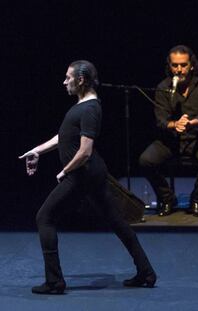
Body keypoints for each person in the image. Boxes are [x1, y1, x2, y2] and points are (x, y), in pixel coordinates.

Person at [19, 60, 156, 294]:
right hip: (90, 174)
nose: (64, 82)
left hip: (82, 175)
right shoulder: (82, 106)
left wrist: (65, 171)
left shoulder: (90, 109)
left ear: (81, 80)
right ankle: (146, 272)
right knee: (116, 221)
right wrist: (37, 151)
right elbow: (63, 136)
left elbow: (84, 151)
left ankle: (54, 282)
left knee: (44, 217)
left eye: (68, 78)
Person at [139, 45, 198, 217]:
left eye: (183, 65)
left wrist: (191, 122)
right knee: (145, 161)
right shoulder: (163, 87)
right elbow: (160, 120)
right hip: (171, 138)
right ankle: (167, 198)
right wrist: (174, 125)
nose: (179, 69)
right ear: (169, 65)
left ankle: (197, 199)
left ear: (191, 64)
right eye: (175, 65)